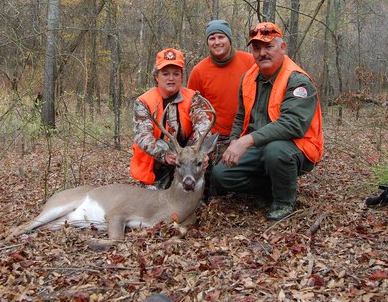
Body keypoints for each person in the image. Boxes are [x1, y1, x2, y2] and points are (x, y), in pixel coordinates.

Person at [210, 22, 324, 221]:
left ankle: (284, 201)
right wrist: (235, 140)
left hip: (298, 147)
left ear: (282, 47)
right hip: (258, 145)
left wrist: (246, 141)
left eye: (269, 46)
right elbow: (240, 116)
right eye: (256, 48)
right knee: (221, 175)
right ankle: (270, 188)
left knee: (275, 151)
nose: (262, 53)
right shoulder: (248, 78)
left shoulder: (298, 81)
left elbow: (292, 125)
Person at [130, 48, 212, 189]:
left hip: (187, 161)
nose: (171, 78)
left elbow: (203, 124)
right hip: (157, 164)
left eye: (176, 74)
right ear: (157, 76)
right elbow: (142, 136)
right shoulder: (144, 102)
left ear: (181, 77)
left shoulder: (193, 98)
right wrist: (164, 155)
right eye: (165, 74)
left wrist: (201, 152)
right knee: (154, 204)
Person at [187, 19, 255, 162]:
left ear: (229, 39)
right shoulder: (199, 71)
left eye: (221, 37)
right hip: (213, 138)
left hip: (246, 136)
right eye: (212, 38)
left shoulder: (251, 62)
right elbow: (192, 109)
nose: (217, 42)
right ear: (208, 43)